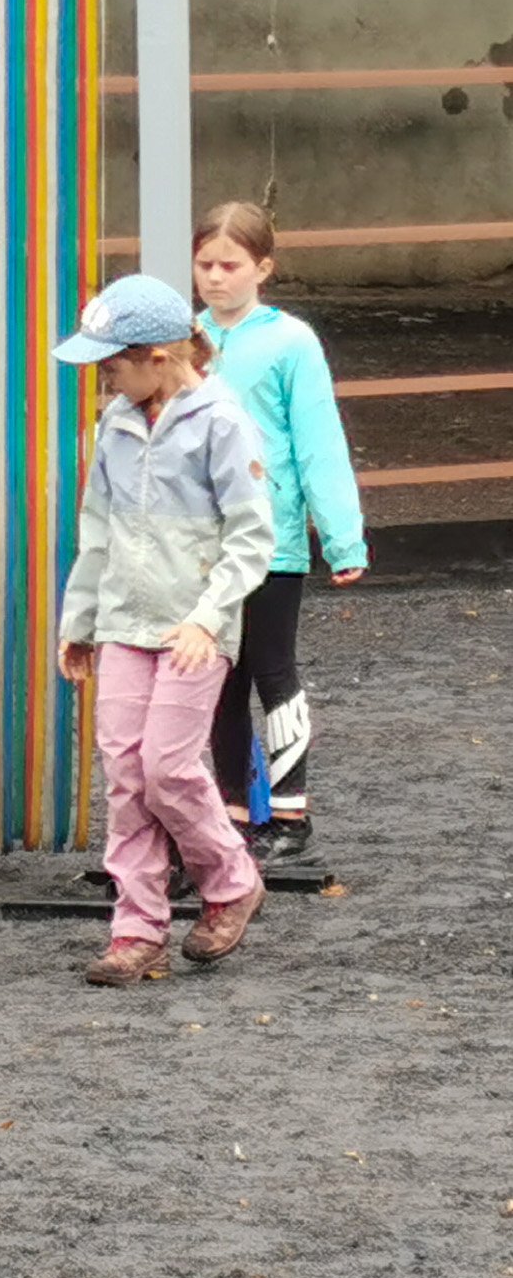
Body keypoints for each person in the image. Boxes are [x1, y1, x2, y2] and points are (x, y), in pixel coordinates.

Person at [55, 274, 276, 986]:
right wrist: (80, 621)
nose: (103, 378)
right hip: (124, 621)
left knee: (167, 767)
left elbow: (251, 536)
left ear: (156, 356)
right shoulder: (113, 427)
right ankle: (137, 928)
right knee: (125, 773)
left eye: (111, 365)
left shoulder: (222, 422)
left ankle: (231, 880)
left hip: (195, 630)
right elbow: (97, 529)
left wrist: (207, 619)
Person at [193, 200, 367, 862]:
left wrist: (342, 537)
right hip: (202, 545)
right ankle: (233, 814)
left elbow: (319, 441)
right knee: (219, 678)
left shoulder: (292, 342)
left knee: (273, 671)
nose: (215, 277)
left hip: (272, 540)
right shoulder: (184, 340)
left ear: (262, 268)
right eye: (205, 264)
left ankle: (291, 818)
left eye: (229, 265)